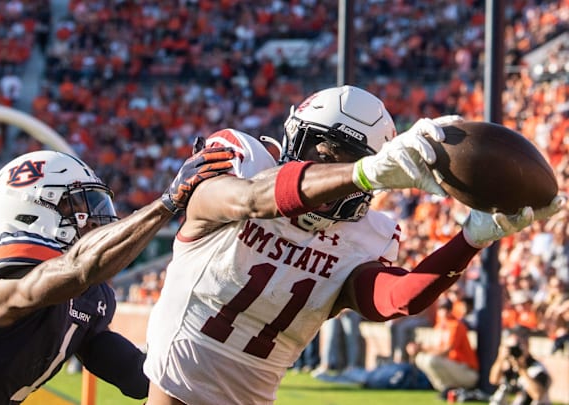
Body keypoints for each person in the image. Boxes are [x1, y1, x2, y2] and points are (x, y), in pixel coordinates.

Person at [142, 85, 566, 405]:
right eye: (319, 148)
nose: (327, 164)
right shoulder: (243, 165)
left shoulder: (367, 234)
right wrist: (361, 173)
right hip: (175, 383)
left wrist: (469, 239)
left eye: (344, 158)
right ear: (292, 138)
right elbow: (250, 198)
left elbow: (393, 299)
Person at [0, 145, 234, 404]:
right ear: (30, 212)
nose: (98, 215)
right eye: (78, 204)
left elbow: (135, 377)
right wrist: (166, 204)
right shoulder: (10, 275)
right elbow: (75, 268)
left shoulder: (90, 294)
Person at [411, 298, 479, 394]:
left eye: (447, 309)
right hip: (452, 368)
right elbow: (433, 347)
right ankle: (446, 389)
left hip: (467, 371)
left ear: (451, 310)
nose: (444, 312)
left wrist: (422, 349)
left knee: (431, 360)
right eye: (442, 309)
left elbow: (445, 352)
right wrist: (419, 348)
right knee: (421, 358)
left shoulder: (456, 325)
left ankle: (448, 389)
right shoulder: (439, 326)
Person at [489, 326, 552, 405]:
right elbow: (493, 380)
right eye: (512, 347)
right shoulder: (507, 366)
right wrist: (500, 359)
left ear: (527, 345)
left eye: (518, 346)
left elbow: (538, 395)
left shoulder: (537, 369)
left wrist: (521, 369)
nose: (515, 351)